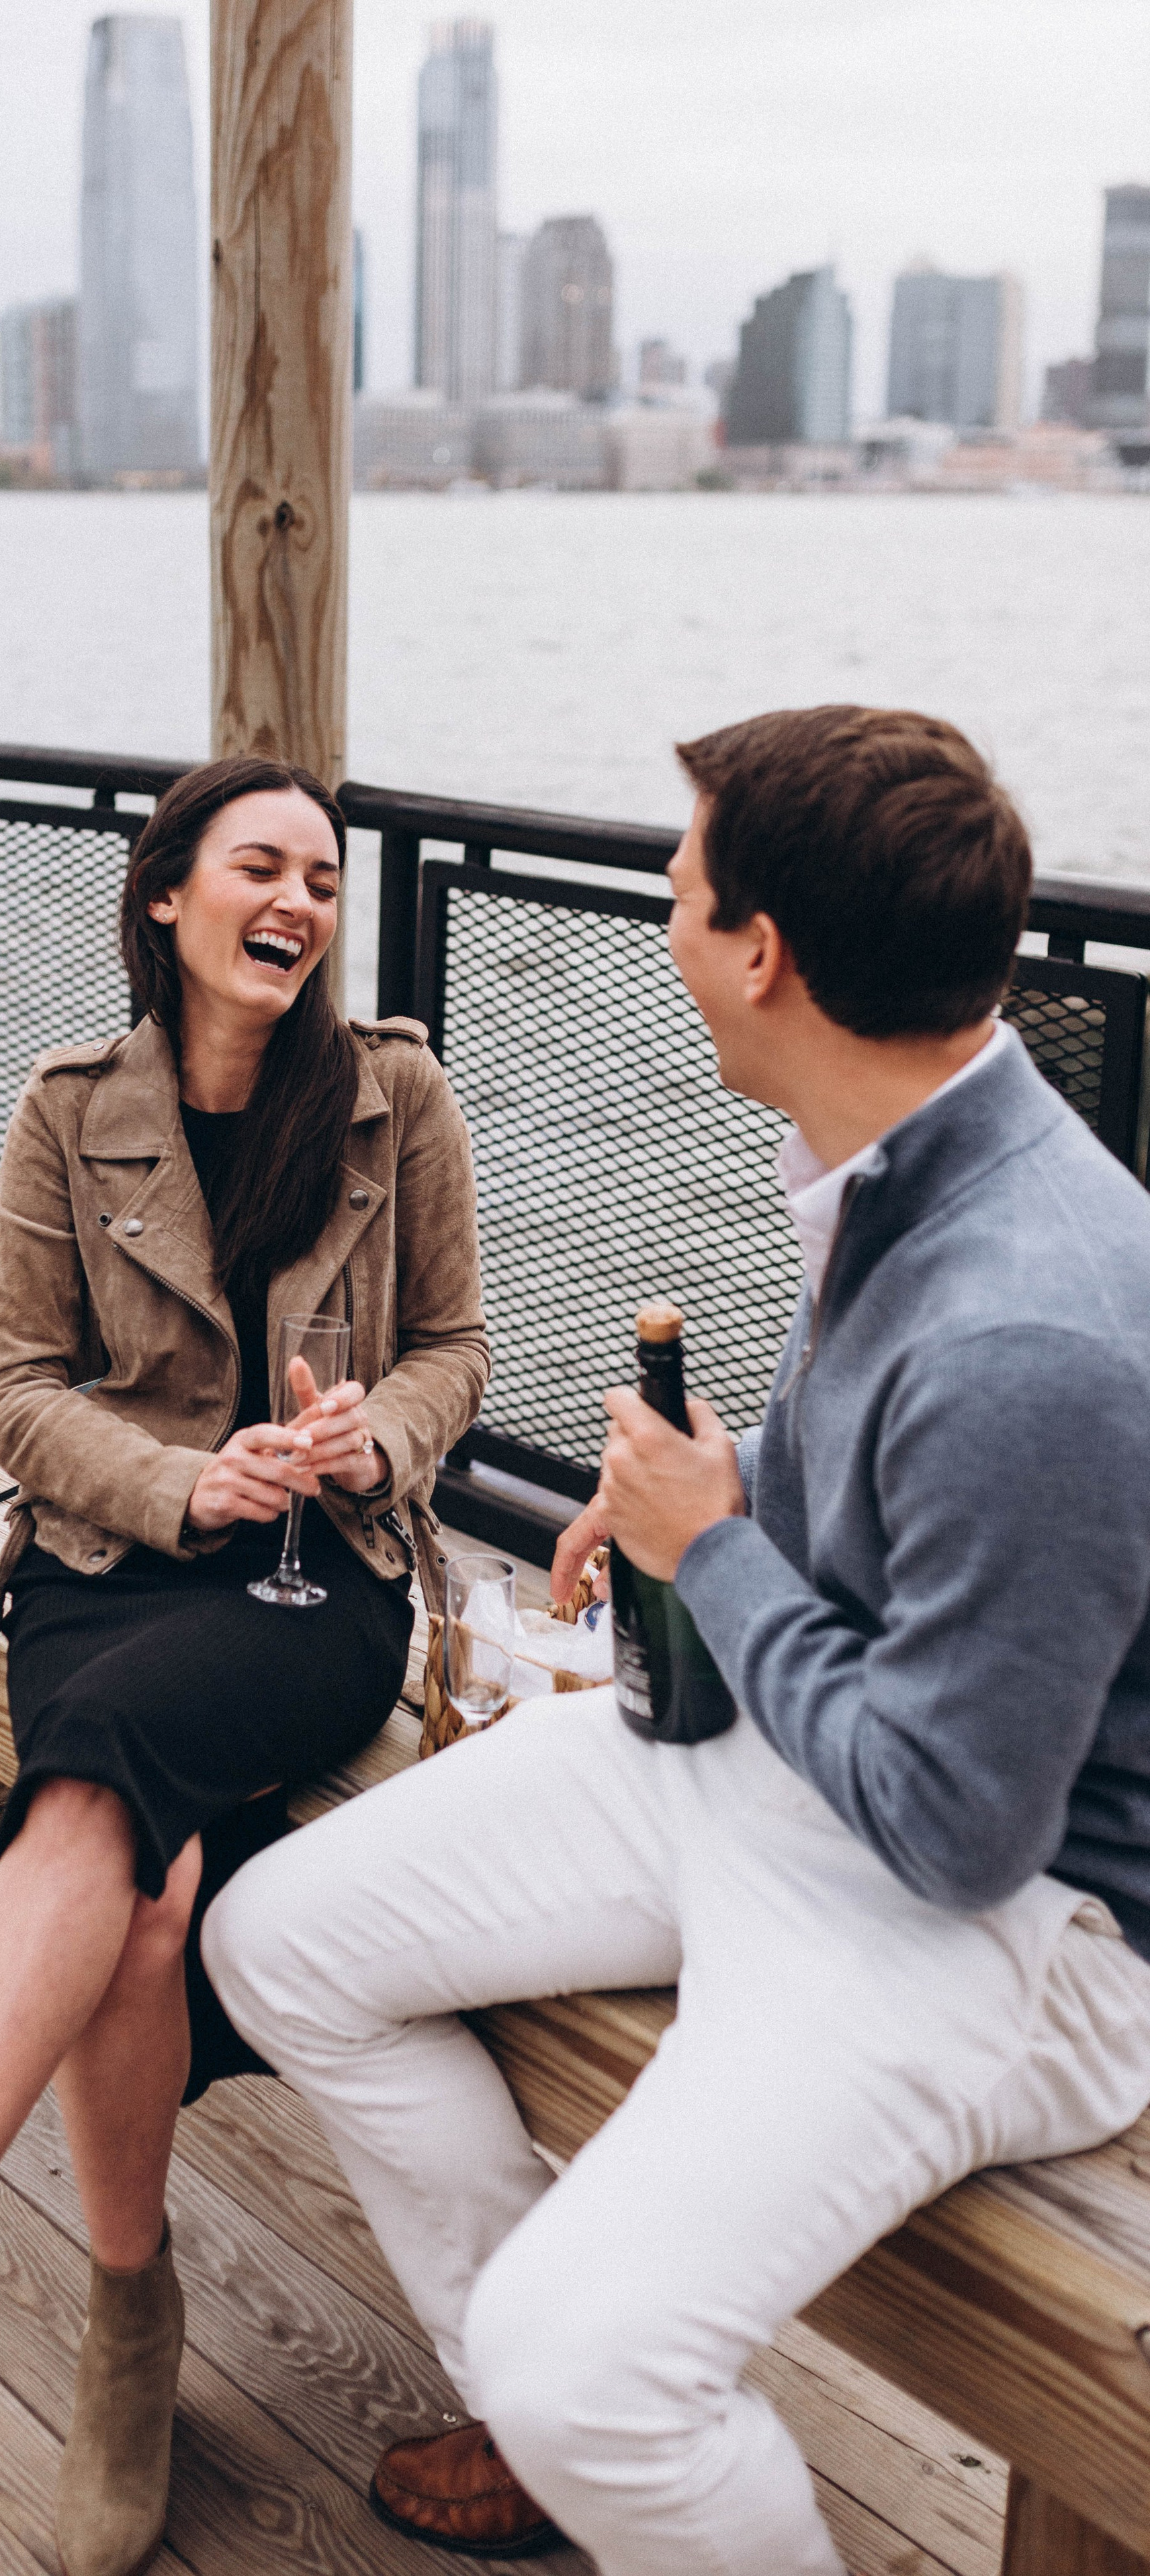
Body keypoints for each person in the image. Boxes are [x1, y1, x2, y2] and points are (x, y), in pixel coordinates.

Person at [202, 705, 1150, 2575]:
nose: (663, 927)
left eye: (682, 893)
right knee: (277, 1937)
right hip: (790, 1761)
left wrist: (711, 1554)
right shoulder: (897, 1153)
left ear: (765, 953)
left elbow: (962, 1826)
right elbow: (867, 1515)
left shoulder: (1030, 1328)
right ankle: (582, 2441)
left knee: (590, 2358)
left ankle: (590, 2417)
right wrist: (710, 1513)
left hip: (1015, 1920)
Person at [0, 754, 488, 2576]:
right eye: (261, 868)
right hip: (116, 1562)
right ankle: (132, 2320)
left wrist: (376, 1443)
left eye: (325, 879)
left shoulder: (395, 1097)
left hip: (313, 1589)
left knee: (104, 1770)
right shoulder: (71, 1109)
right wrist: (181, 1476)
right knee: (135, 1900)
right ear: (169, 900)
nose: (300, 901)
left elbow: (456, 1344)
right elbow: (13, 1389)